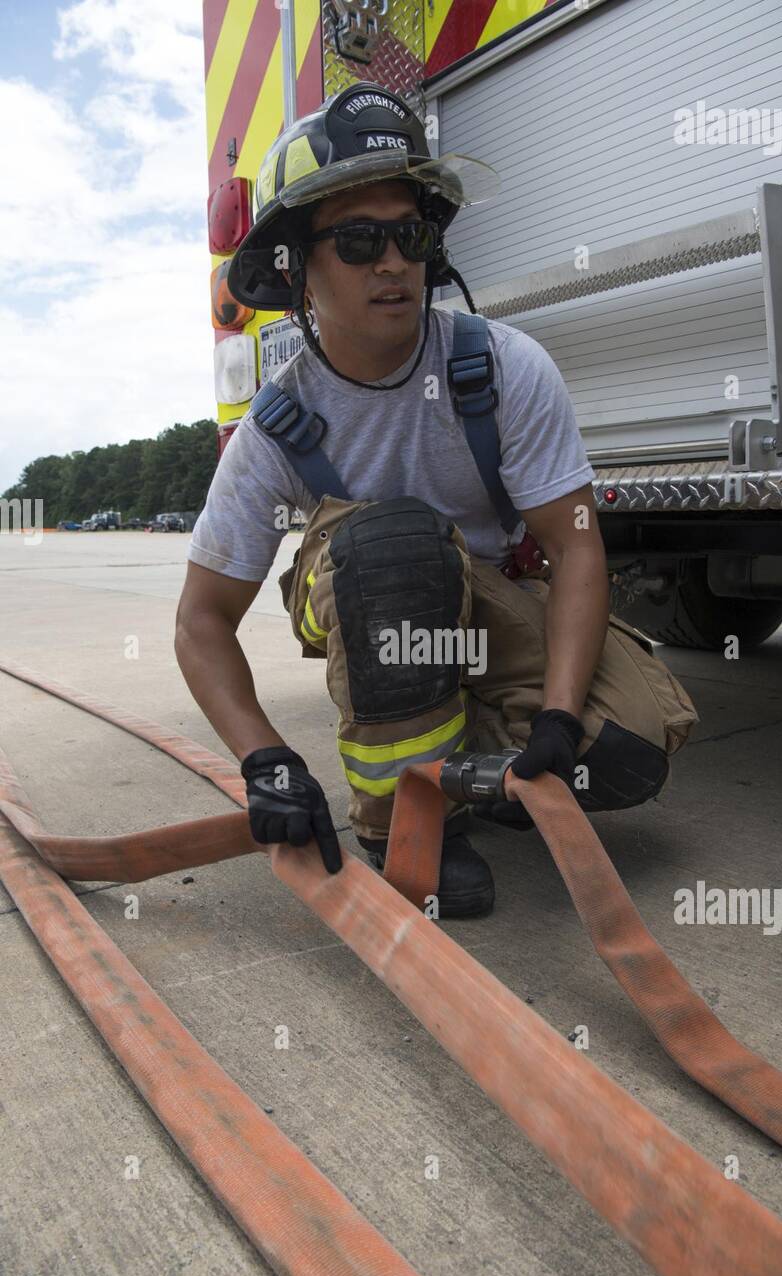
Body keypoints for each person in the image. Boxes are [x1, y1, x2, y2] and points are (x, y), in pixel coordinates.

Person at [176, 82, 697, 918]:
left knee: (625, 747)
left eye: (409, 235)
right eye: (357, 240)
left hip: (481, 598)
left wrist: (560, 720)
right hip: (367, 579)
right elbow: (201, 623)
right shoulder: (277, 427)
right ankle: (404, 821)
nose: (392, 261)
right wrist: (265, 758)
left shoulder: (502, 368)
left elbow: (575, 547)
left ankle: (469, 756)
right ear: (296, 267)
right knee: (394, 545)